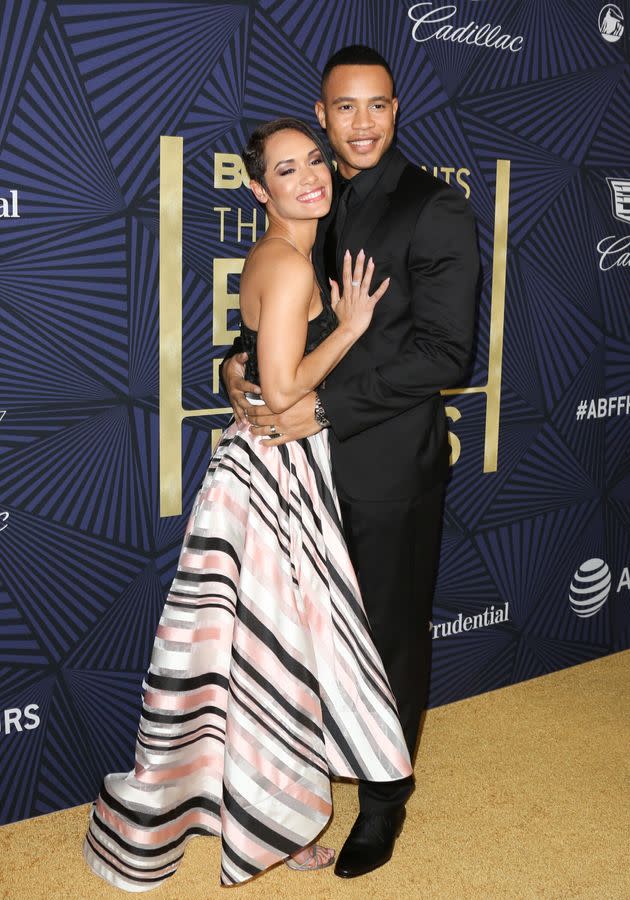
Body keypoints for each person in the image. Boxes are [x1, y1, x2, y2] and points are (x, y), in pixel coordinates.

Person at [83, 118, 412, 890]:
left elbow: (258, 365)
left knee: (254, 653)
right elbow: (289, 385)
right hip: (272, 477)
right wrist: (353, 327)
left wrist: (243, 369)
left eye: (315, 163)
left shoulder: (283, 253)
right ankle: (273, 816)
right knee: (271, 651)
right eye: (286, 170)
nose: (310, 178)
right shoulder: (289, 263)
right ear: (260, 190)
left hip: (261, 466)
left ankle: (269, 809)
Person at [222, 46, 480, 879]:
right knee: (300, 637)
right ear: (324, 114)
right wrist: (231, 367)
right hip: (296, 472)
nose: (361, 123)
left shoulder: (433, 207)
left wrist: (320, 407)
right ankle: (305, 785)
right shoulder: (314, 197)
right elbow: (274, 313)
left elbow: (448, 350)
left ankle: (383, 800)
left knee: (386, 635)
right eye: (344, 108)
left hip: (384, 467)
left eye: (377, 106)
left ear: (396, 111)